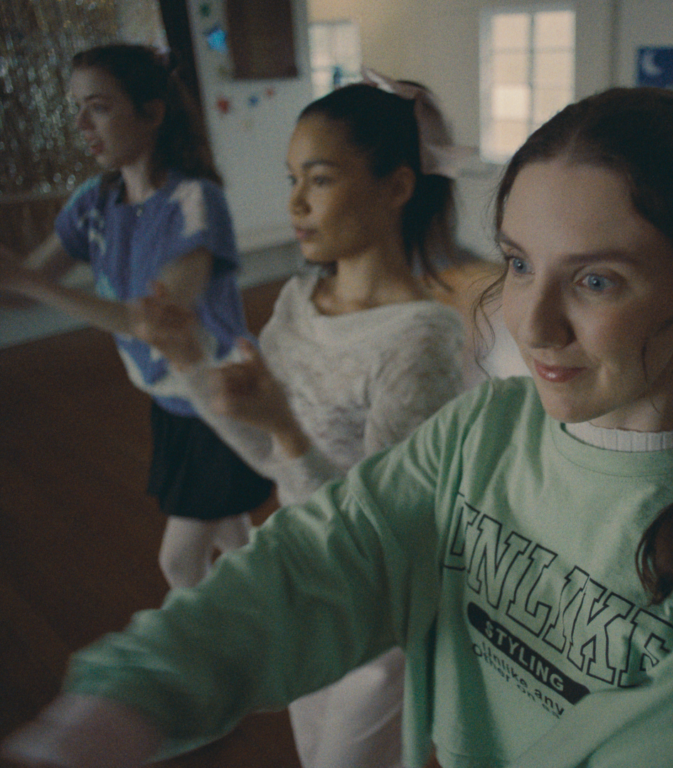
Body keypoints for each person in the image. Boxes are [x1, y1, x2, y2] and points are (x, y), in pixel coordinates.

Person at [1, 87, 673, 768]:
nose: (534, 325)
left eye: (595, 280)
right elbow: (324, 556)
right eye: (518, 264)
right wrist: (118, 704)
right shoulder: (484, 428)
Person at [129, 74, 467, 768]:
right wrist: (190, 359)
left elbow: (378, 541)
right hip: (302, 582)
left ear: (397, 187)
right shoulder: (299, 298)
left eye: (320, 179)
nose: (295, 203)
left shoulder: (421, 341)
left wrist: (286, 429)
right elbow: (268, 456)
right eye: (292, 179)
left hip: (378, 618)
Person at [0, 43, 273, 591]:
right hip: (172, 401)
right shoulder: (94, 202)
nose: (82, 124)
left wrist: (26, 281)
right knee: (233, 536)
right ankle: (275, 608)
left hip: (220, 396)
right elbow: (24, 284)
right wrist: (19, 278)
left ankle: (213, 639)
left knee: (179, 563)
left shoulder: (194, 200)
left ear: (151, 113)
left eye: (98, 107)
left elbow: (154, 323)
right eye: (77, 108)